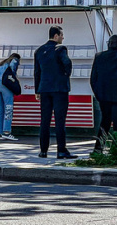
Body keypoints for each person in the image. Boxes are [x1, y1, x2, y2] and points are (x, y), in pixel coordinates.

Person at [34, 25, 75, 159]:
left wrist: (37, 90)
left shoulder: (39, 51)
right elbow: (67, 63)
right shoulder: (60, 49)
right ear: (56, 36)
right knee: (60, 120)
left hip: (44, 89)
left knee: (45, 120)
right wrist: (65, 75)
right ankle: (61, 150)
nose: (63, 37)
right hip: (59, 89)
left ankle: (43, 150)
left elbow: (37, 73)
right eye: (61, 35)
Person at [90, 34, 117, 150]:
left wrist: (98, 94)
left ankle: (99, 147)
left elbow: (93, 78)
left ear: (109, 43)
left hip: (103, 96)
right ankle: (116, 148)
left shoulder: (99, 56)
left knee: (104, 122)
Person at [0, 53, 21, 141]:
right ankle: (7, 132)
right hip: (4, 85)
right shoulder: (14, 60)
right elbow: (13, 67)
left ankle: (1, 132)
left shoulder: (2, 64)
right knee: (8, 108)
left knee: (0, 109)